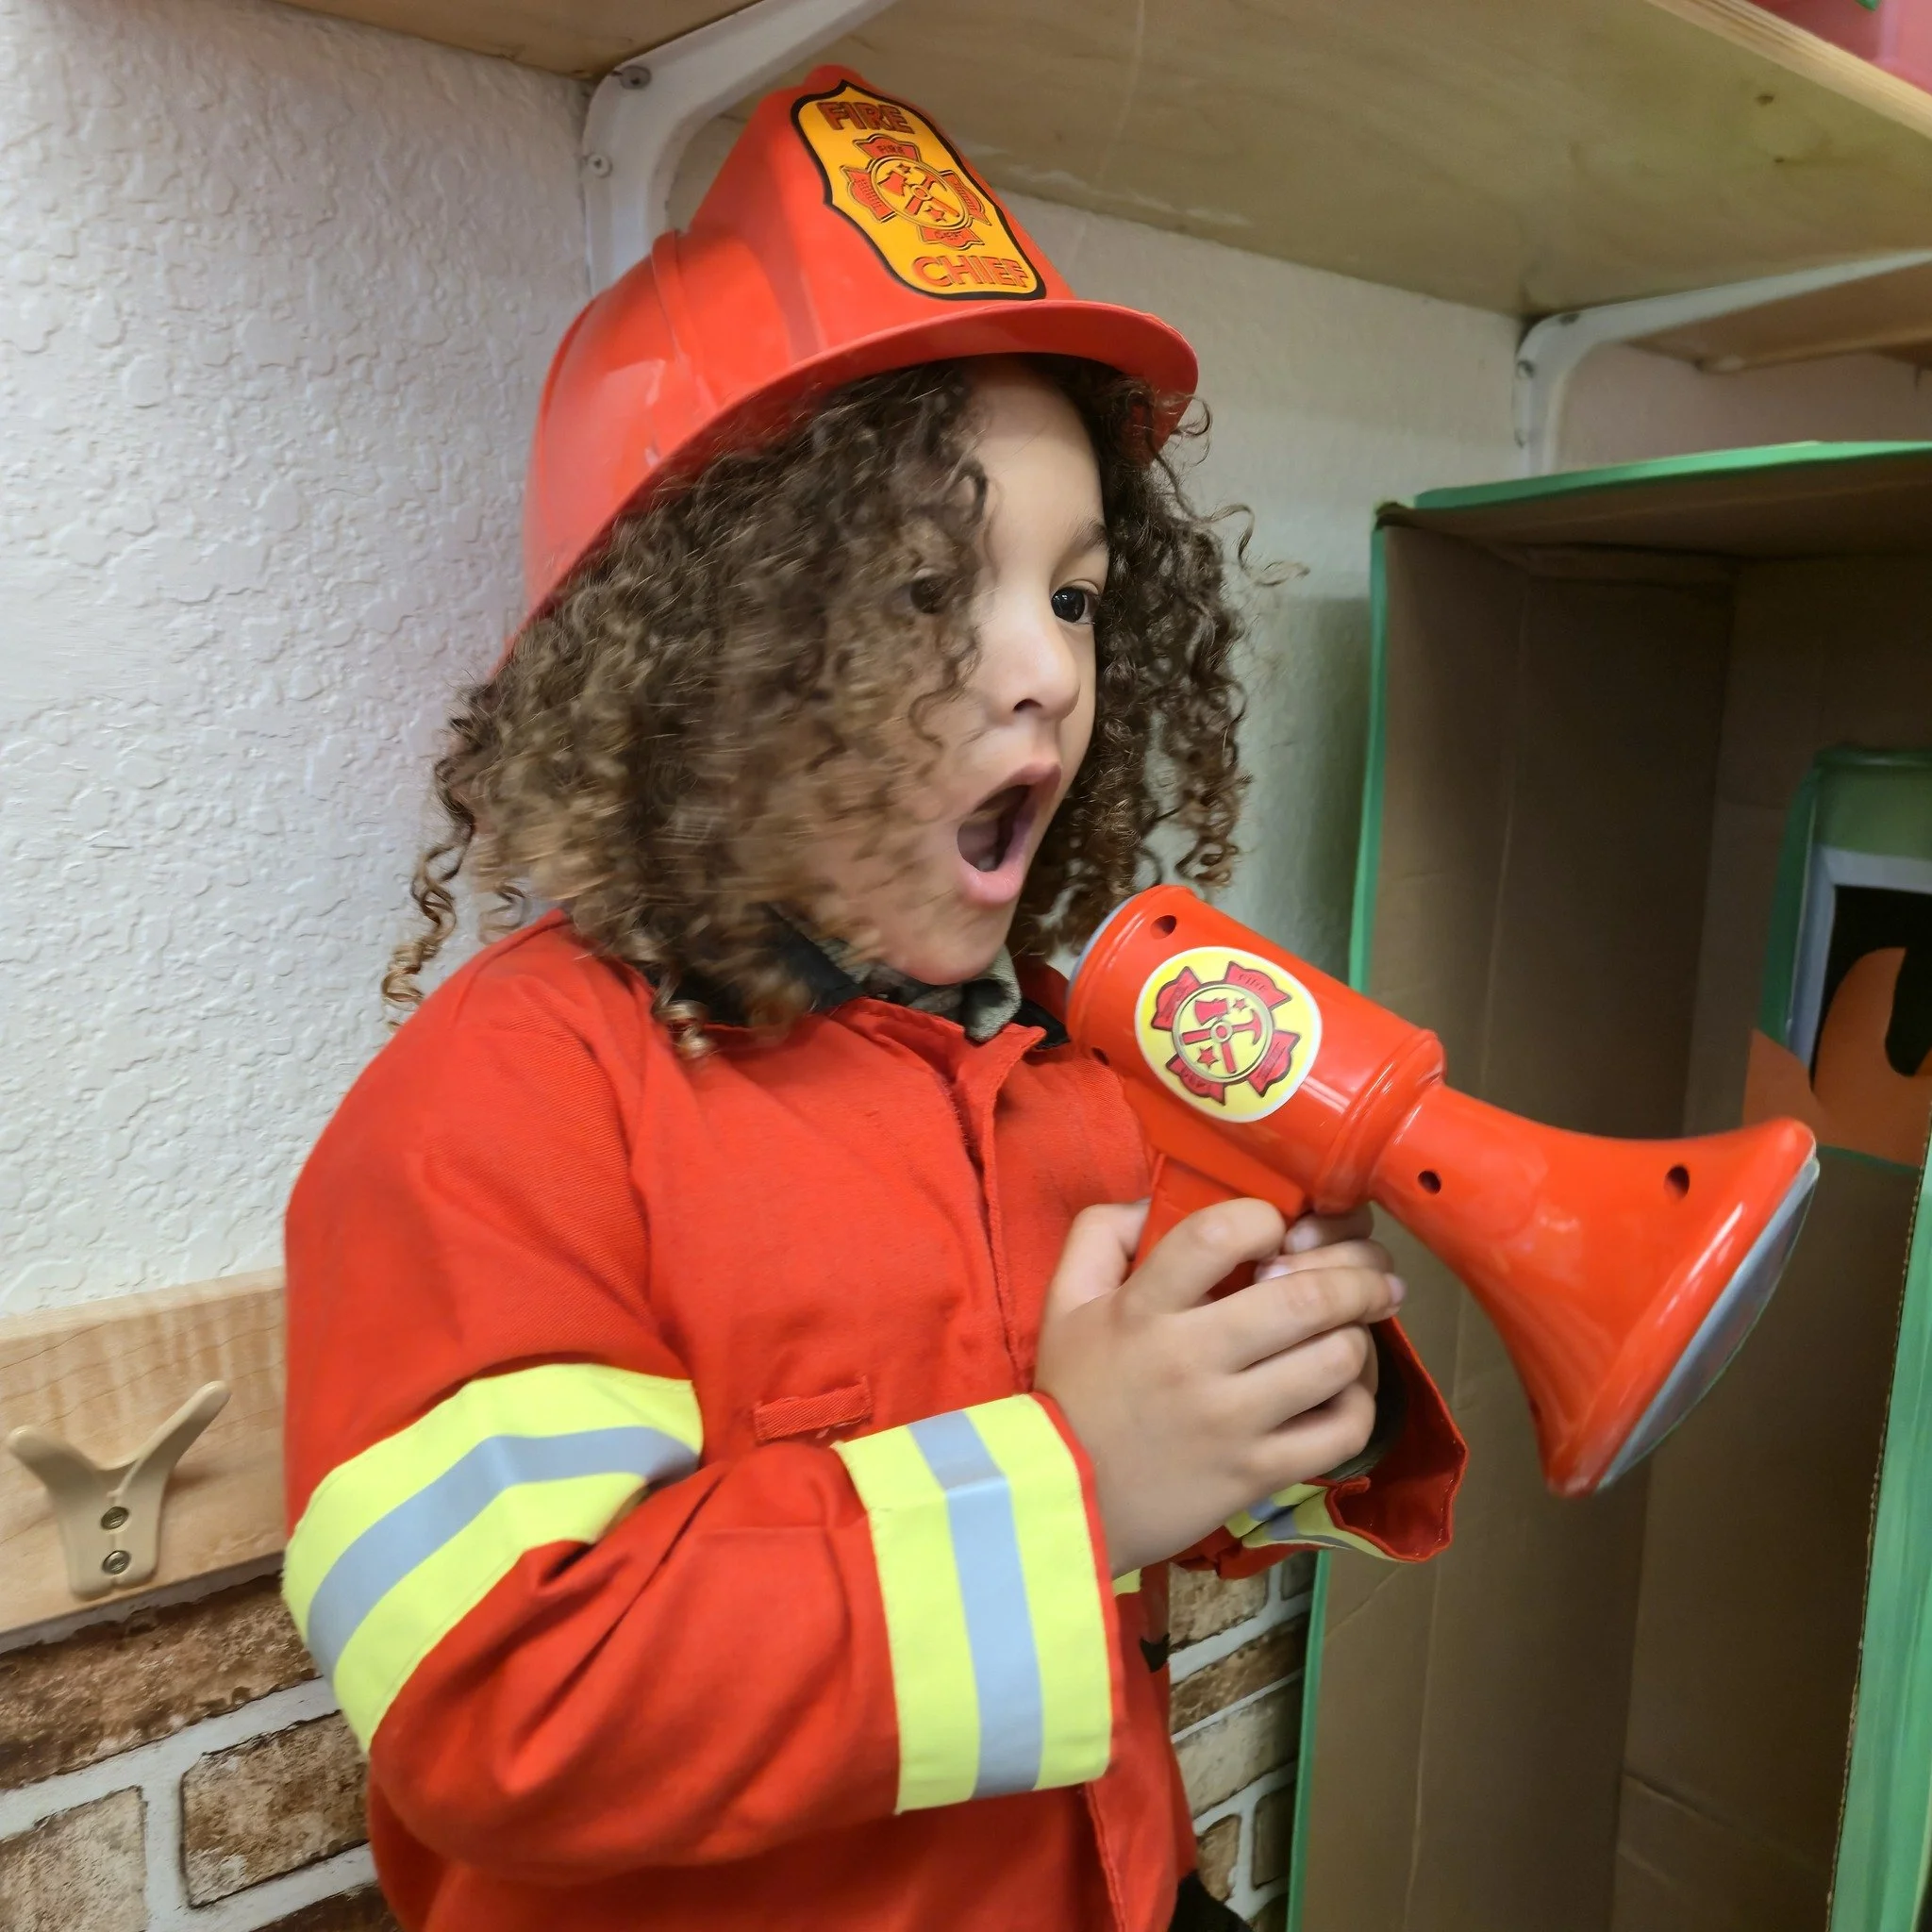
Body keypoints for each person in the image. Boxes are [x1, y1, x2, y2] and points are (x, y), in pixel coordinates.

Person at [280, 66, 1465, 1932]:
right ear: (698, 653)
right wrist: (1079, 1483)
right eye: (928, 589)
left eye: (1074, 600)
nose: (1043, 674)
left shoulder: (1072, 1060)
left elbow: (1178, 1528)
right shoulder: (494, 1107)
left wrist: (1275, 1397)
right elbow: (503, 1702)